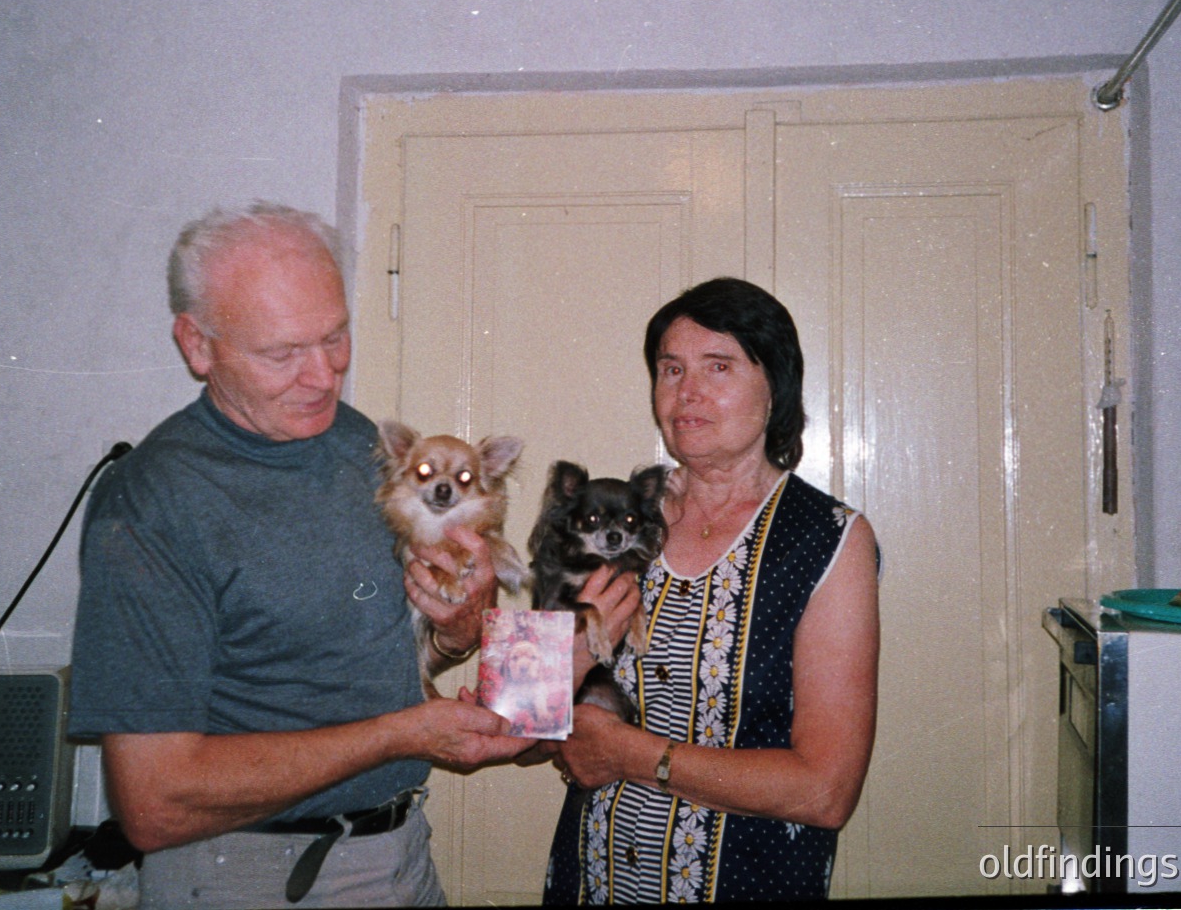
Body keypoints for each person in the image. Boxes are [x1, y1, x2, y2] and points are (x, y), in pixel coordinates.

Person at [68, 201, 536, 909]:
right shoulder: (151, 503)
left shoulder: (362, 449)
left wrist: (449, 632)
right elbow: (154, 801)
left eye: (335, 337)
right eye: (282, 353)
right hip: (242, 876)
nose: (323, 376)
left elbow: (346, 664)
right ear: (197, 345)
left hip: (401, 854)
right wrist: (401, 734)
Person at [538, 276, 880, 903]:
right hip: (593, 884)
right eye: (670, 369)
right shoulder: (609, 524)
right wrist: (560, 657)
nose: (686, 391)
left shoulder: (829, 540)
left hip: (750, 883)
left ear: (774, 387)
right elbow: (523, 728)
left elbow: (826, 791)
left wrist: (632, 755)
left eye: (717, 367)